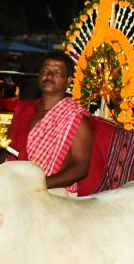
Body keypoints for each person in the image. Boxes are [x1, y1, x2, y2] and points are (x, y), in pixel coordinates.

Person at [7, 50, 93, 192]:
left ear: (69, 80)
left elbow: (80, 167)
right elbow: (7, 151)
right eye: (45, 71)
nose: (49, 76)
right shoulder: (25, 110)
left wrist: (39, 185)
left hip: (54, 194)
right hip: (17, 187)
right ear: (39, 75)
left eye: (57, 73)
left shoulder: (76, 118)